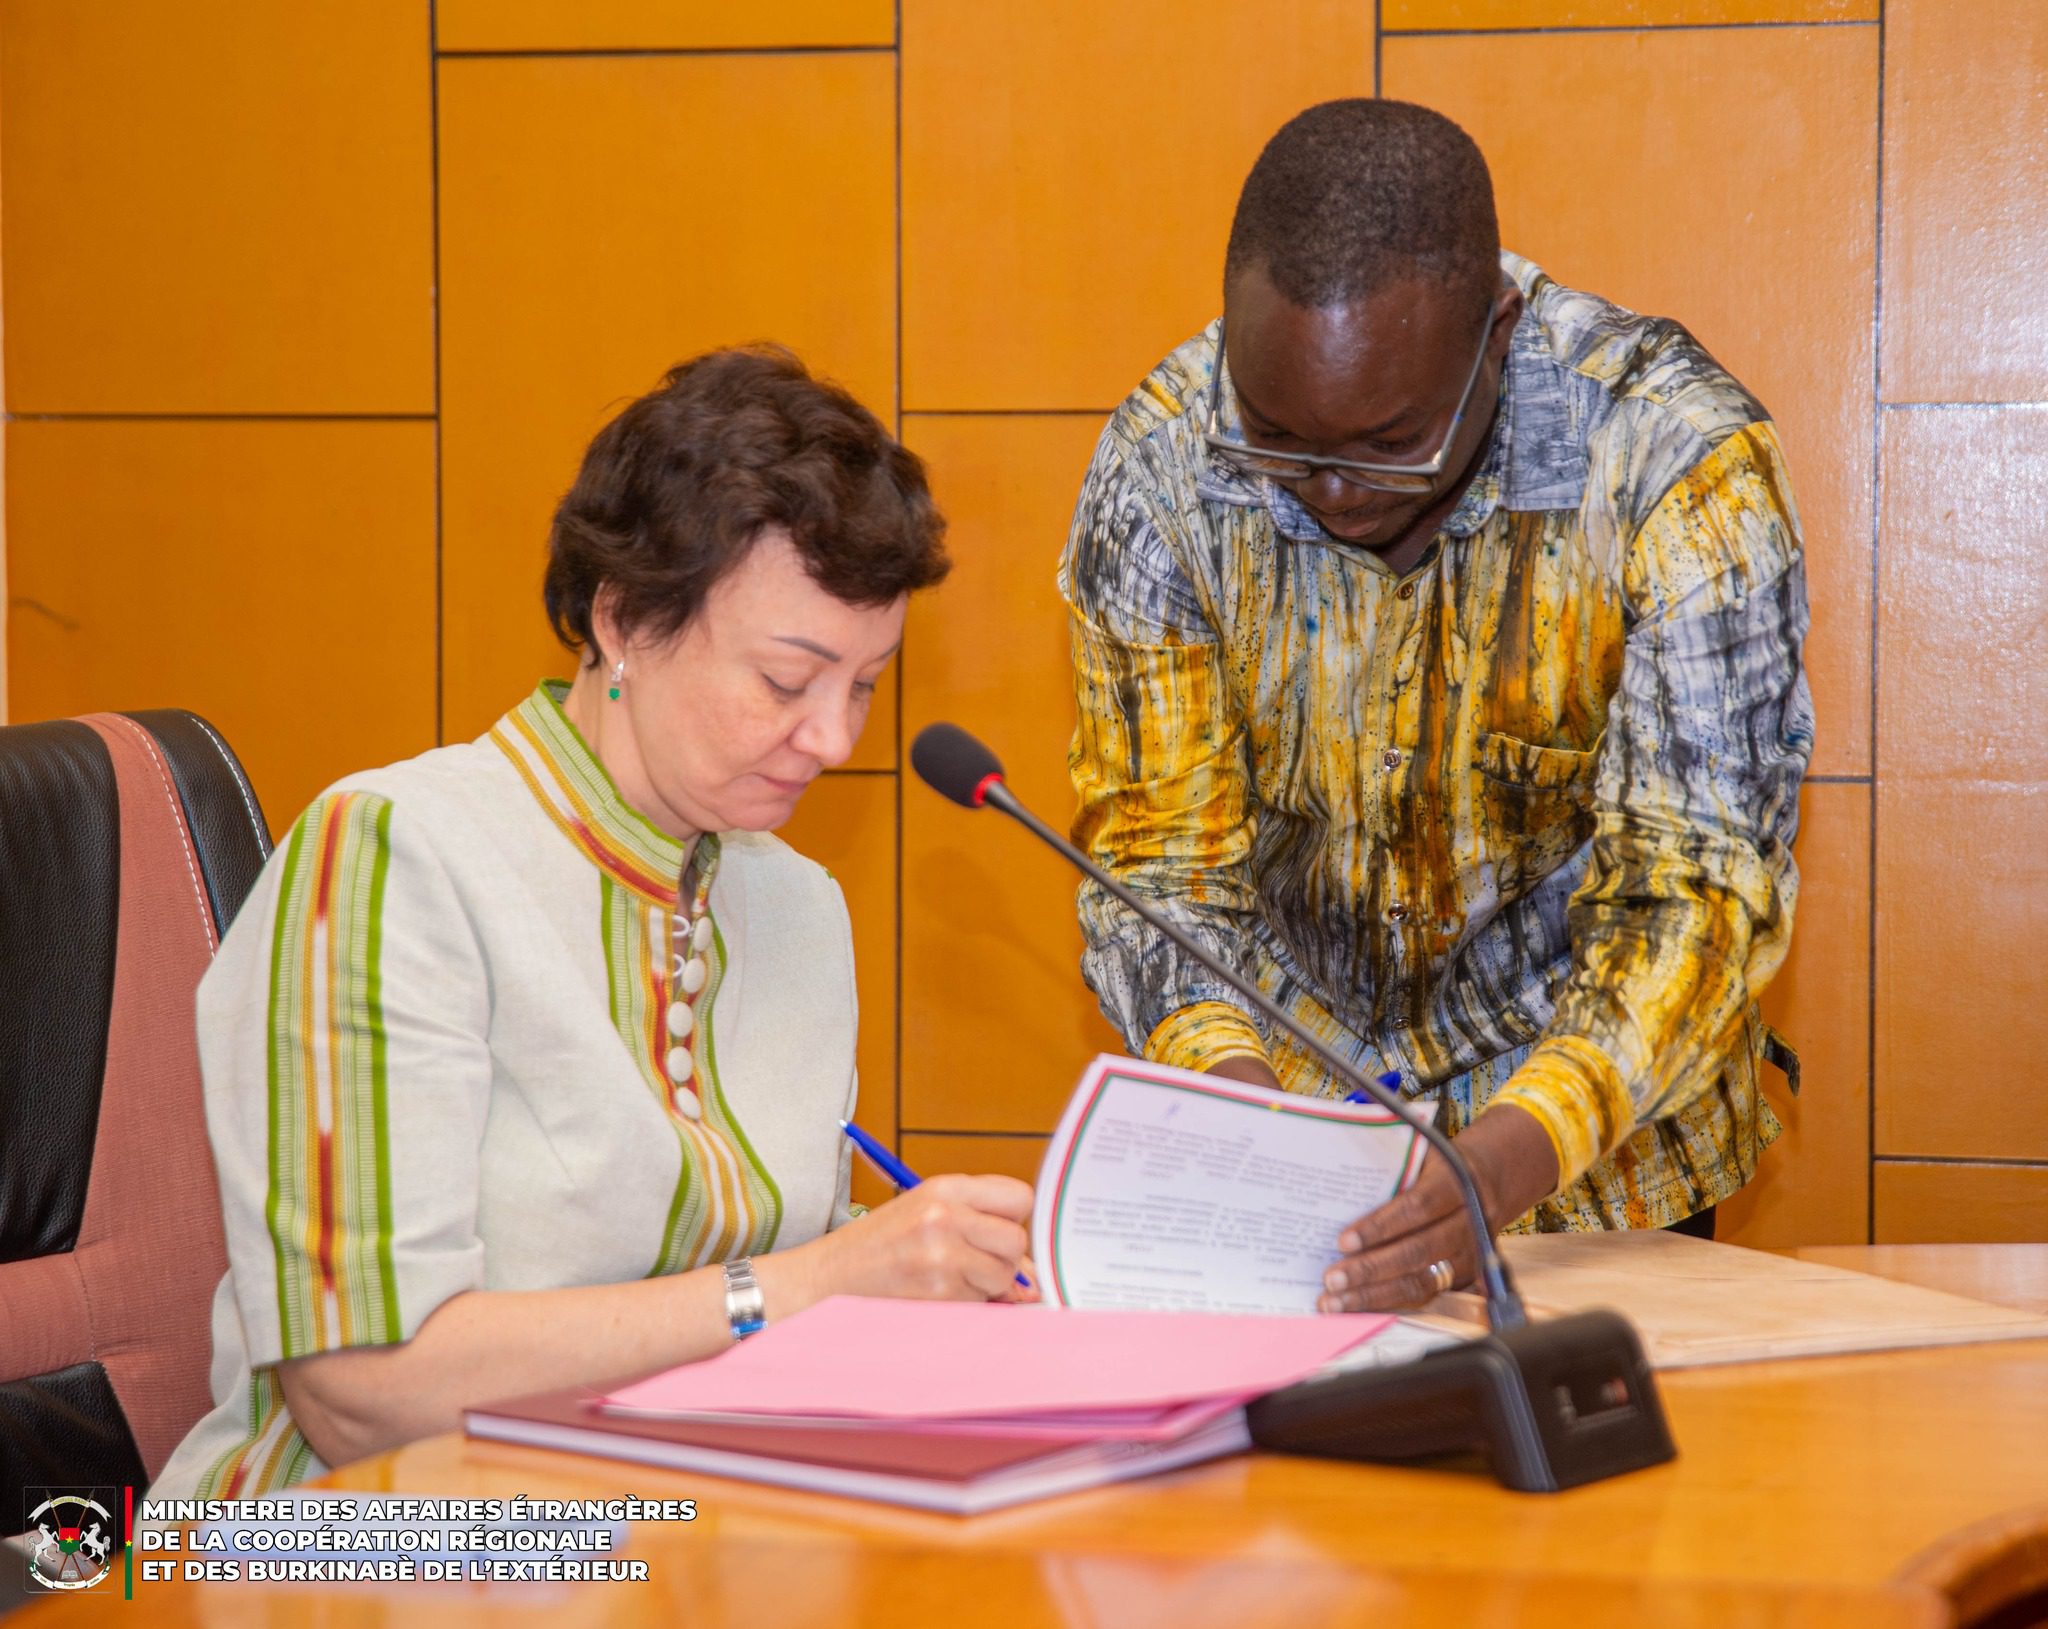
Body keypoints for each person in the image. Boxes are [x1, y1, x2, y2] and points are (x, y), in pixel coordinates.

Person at [152, 348, 1036, 1500]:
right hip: (354, 1539)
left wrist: (931, 1269)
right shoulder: (393, 855)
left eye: (864, 685)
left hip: (687, 1516)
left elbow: (780, 1256)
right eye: (787, 682)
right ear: (624, 620)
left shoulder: (797, 907)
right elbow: (366, 1389)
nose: (833, 740)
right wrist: (809, 1287)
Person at [1059, 100, 1811, 1313]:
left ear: (1495, 333)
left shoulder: (1674, 462)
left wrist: (1496, 1165)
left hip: (1597, 1160)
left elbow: (1697, 885)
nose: (1328, 491)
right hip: (1298, 1141)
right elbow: (1159, 871)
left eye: (1389, 440)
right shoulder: (1161, 469)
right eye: (1277, 438)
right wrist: (1251, 1124)